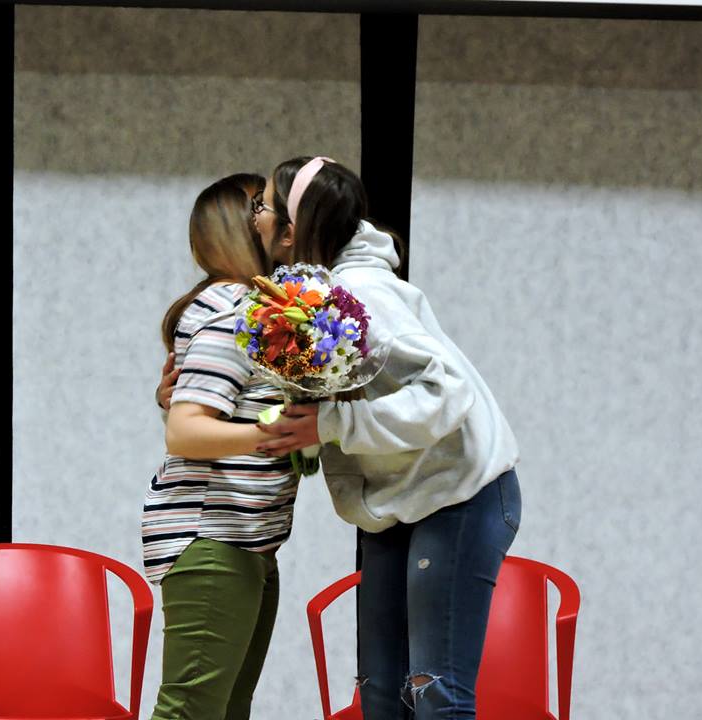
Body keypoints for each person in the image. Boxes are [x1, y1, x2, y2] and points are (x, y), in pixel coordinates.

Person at [252, 157, 522, 720]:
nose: (255, 220)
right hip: (402, 502)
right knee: (381, 695)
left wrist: (330, 426)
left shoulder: (362, 294)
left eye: (265, 208)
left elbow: (447, 392)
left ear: (294, 230)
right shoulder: (320, 294)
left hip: (461, 493)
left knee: (436, 692)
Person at [143, 173, 298, 720]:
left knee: (225, 712)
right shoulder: (234, 313)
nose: (279, 218)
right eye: (266, 207)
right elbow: (186, 430)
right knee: (189, 713)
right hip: (214, 541)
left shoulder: (254, 308)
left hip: (248, 542)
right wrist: (273, 434)